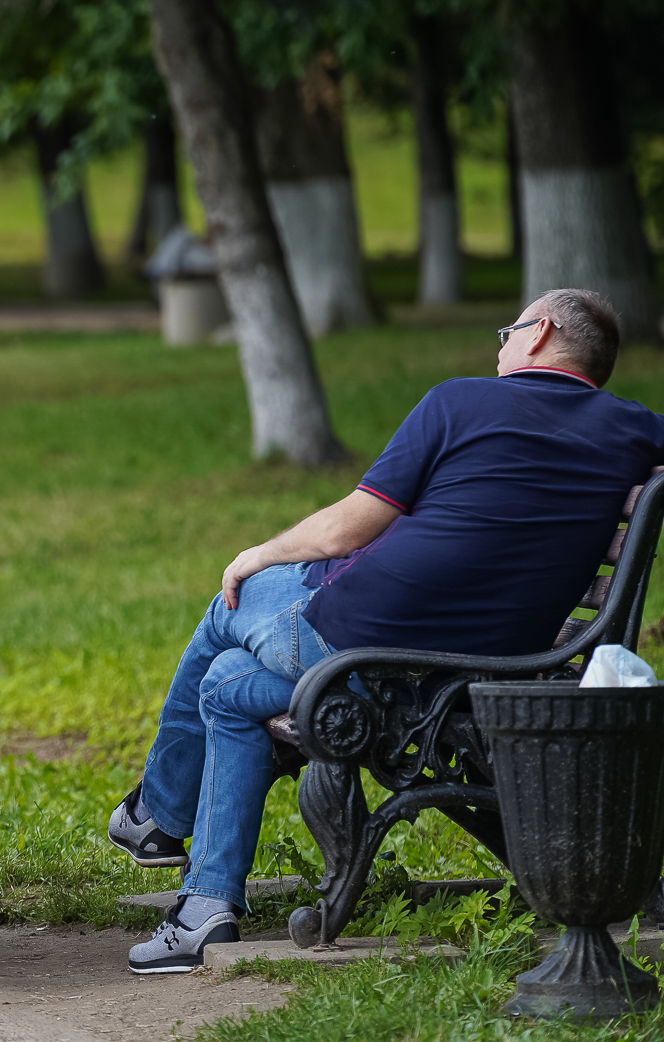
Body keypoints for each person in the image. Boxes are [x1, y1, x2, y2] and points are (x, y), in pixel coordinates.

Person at [108, 288, 664, 974]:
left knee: (232, 602)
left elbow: (349, 527)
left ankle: (158, 816)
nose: (500, 344)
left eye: (507, 329)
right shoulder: (636, 429)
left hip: (364, 646)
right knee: (226, 688)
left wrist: (255, 554)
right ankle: (205, 908)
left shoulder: (458, 401)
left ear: (541, 332)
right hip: (492, 664)